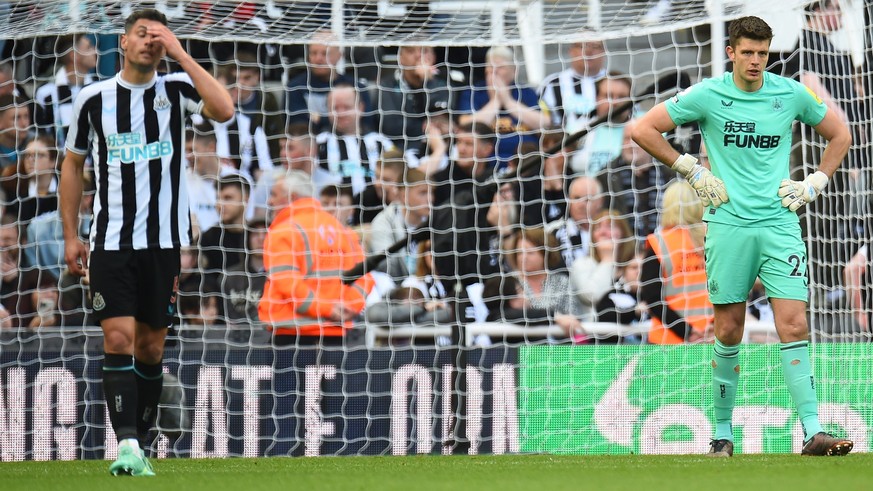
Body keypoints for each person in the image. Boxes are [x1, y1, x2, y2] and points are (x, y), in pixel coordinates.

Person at [631, 16, 853, 457]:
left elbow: (840, 133)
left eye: (762, 53)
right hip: (728, 226)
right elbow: (641, 129)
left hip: (780, 224)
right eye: (747, 52)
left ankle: (813, 430)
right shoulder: (709, 95)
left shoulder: (788, 93)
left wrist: (815, 182)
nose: (755, 61)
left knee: (794, 322)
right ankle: (722, 433)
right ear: (731, 52)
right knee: (729, 329)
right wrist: (689, 168)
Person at [59, 8, 233, 476]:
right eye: (143, 34)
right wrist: (72, 234)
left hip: (164, 243)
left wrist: (180, 52)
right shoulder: (93, 99)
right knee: (117, 337)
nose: (150, 43)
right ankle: (128, 445)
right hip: (111, 241)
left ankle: (140, 442)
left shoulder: (175, 90)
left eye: (158, 37)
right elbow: (72, 165)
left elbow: (224, 109)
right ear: (123, 41)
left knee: (151, 349)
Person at [258, 170, 375, 346]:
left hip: (292, 333)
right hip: (336, 333)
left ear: (292, 197)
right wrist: (349, 307)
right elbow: (365, 277)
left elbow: (287, 284)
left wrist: (328, 309)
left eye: (274, 194)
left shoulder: (282, 232)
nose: (270, 201)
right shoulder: (342, 230)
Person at [638, 180, 712, 345]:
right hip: (710, 336)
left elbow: (652, 299)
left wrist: (687, 331)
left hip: (667, 340)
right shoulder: (712, 240)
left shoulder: (659, 243)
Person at [455, 46, 545, 166]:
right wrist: (495, 102)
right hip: (486, 163)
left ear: (514, 71)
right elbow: (465, 125)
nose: (494, 72)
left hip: (526, 161)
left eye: (501, 67)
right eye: (490, 67)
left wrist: (508, 102)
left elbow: (545, 124)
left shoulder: (526, 92)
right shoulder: (473, 92)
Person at [33, 34, 98, 145]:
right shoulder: (46, 93)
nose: (96, 51)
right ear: (74, 56)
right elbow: (42, 134)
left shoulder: (98, 89)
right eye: (89, 48)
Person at [538, 35, 606, 135]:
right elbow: (540, 119)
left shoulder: (615, 82)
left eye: (595, 46)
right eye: (581, 46)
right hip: (562, 146)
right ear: (571, 51)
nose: (588, 51)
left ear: (604, 52)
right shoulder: (552, 83)